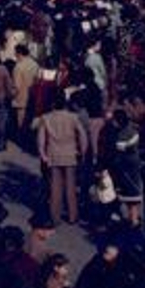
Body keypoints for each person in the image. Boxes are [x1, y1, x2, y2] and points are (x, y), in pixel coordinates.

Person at [36, 91, 89, 225]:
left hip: (53, 155)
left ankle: (55, 217)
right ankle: (72, 216)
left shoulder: (46, 118)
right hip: (70, 155)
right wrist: (82, 152)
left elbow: (41, 139)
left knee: (55, 187)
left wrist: (43, 154)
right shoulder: (73, 117)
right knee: (70, 187)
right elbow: (82, 135)